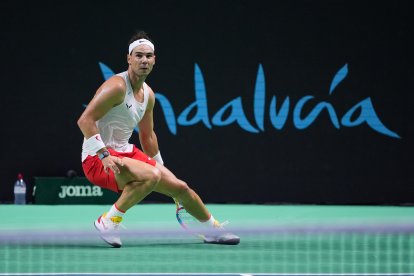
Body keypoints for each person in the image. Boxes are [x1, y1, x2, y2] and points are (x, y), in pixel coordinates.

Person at [77, 31, 240, 248]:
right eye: (138, 55)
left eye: (148, 56)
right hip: (96, 159)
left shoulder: (148, 95)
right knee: (151, 176)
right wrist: (104, 154)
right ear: (129, 58)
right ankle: (108, 221)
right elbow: (85, 120)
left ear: (154, 60)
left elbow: (147, 135)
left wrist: (162, 168)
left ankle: (211, 229)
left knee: (180, 188)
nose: (143, 60)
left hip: (125, 152)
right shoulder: (116, 87)